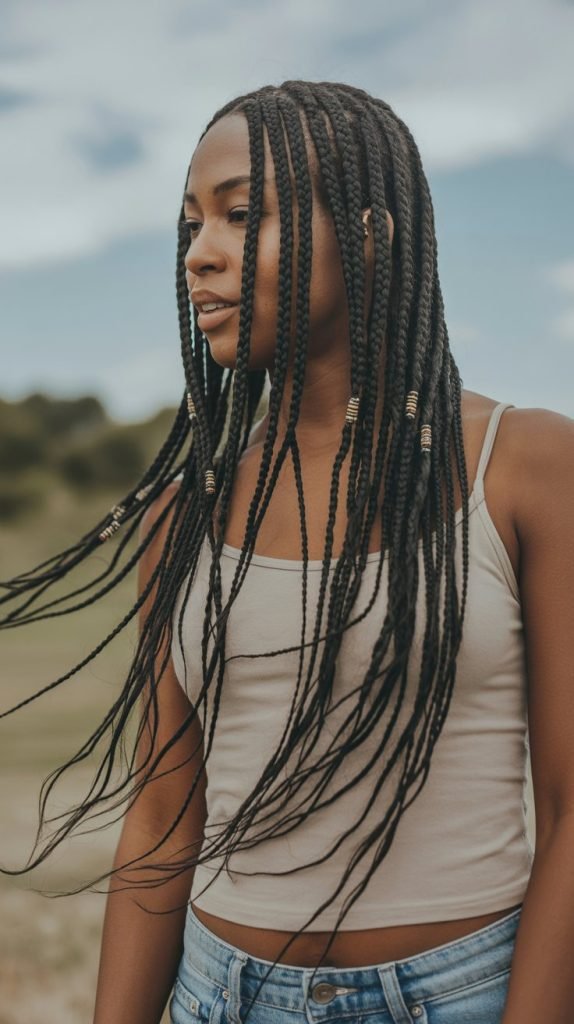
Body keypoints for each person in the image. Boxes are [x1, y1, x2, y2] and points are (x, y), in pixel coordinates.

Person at [2, 79, 574, 1024]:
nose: (200, 254)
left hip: (453, 997)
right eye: (190, 225)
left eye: (240, 216)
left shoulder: (528, 468)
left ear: (371, 234)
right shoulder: (184, 513)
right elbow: (160, 814)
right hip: (215, 993)